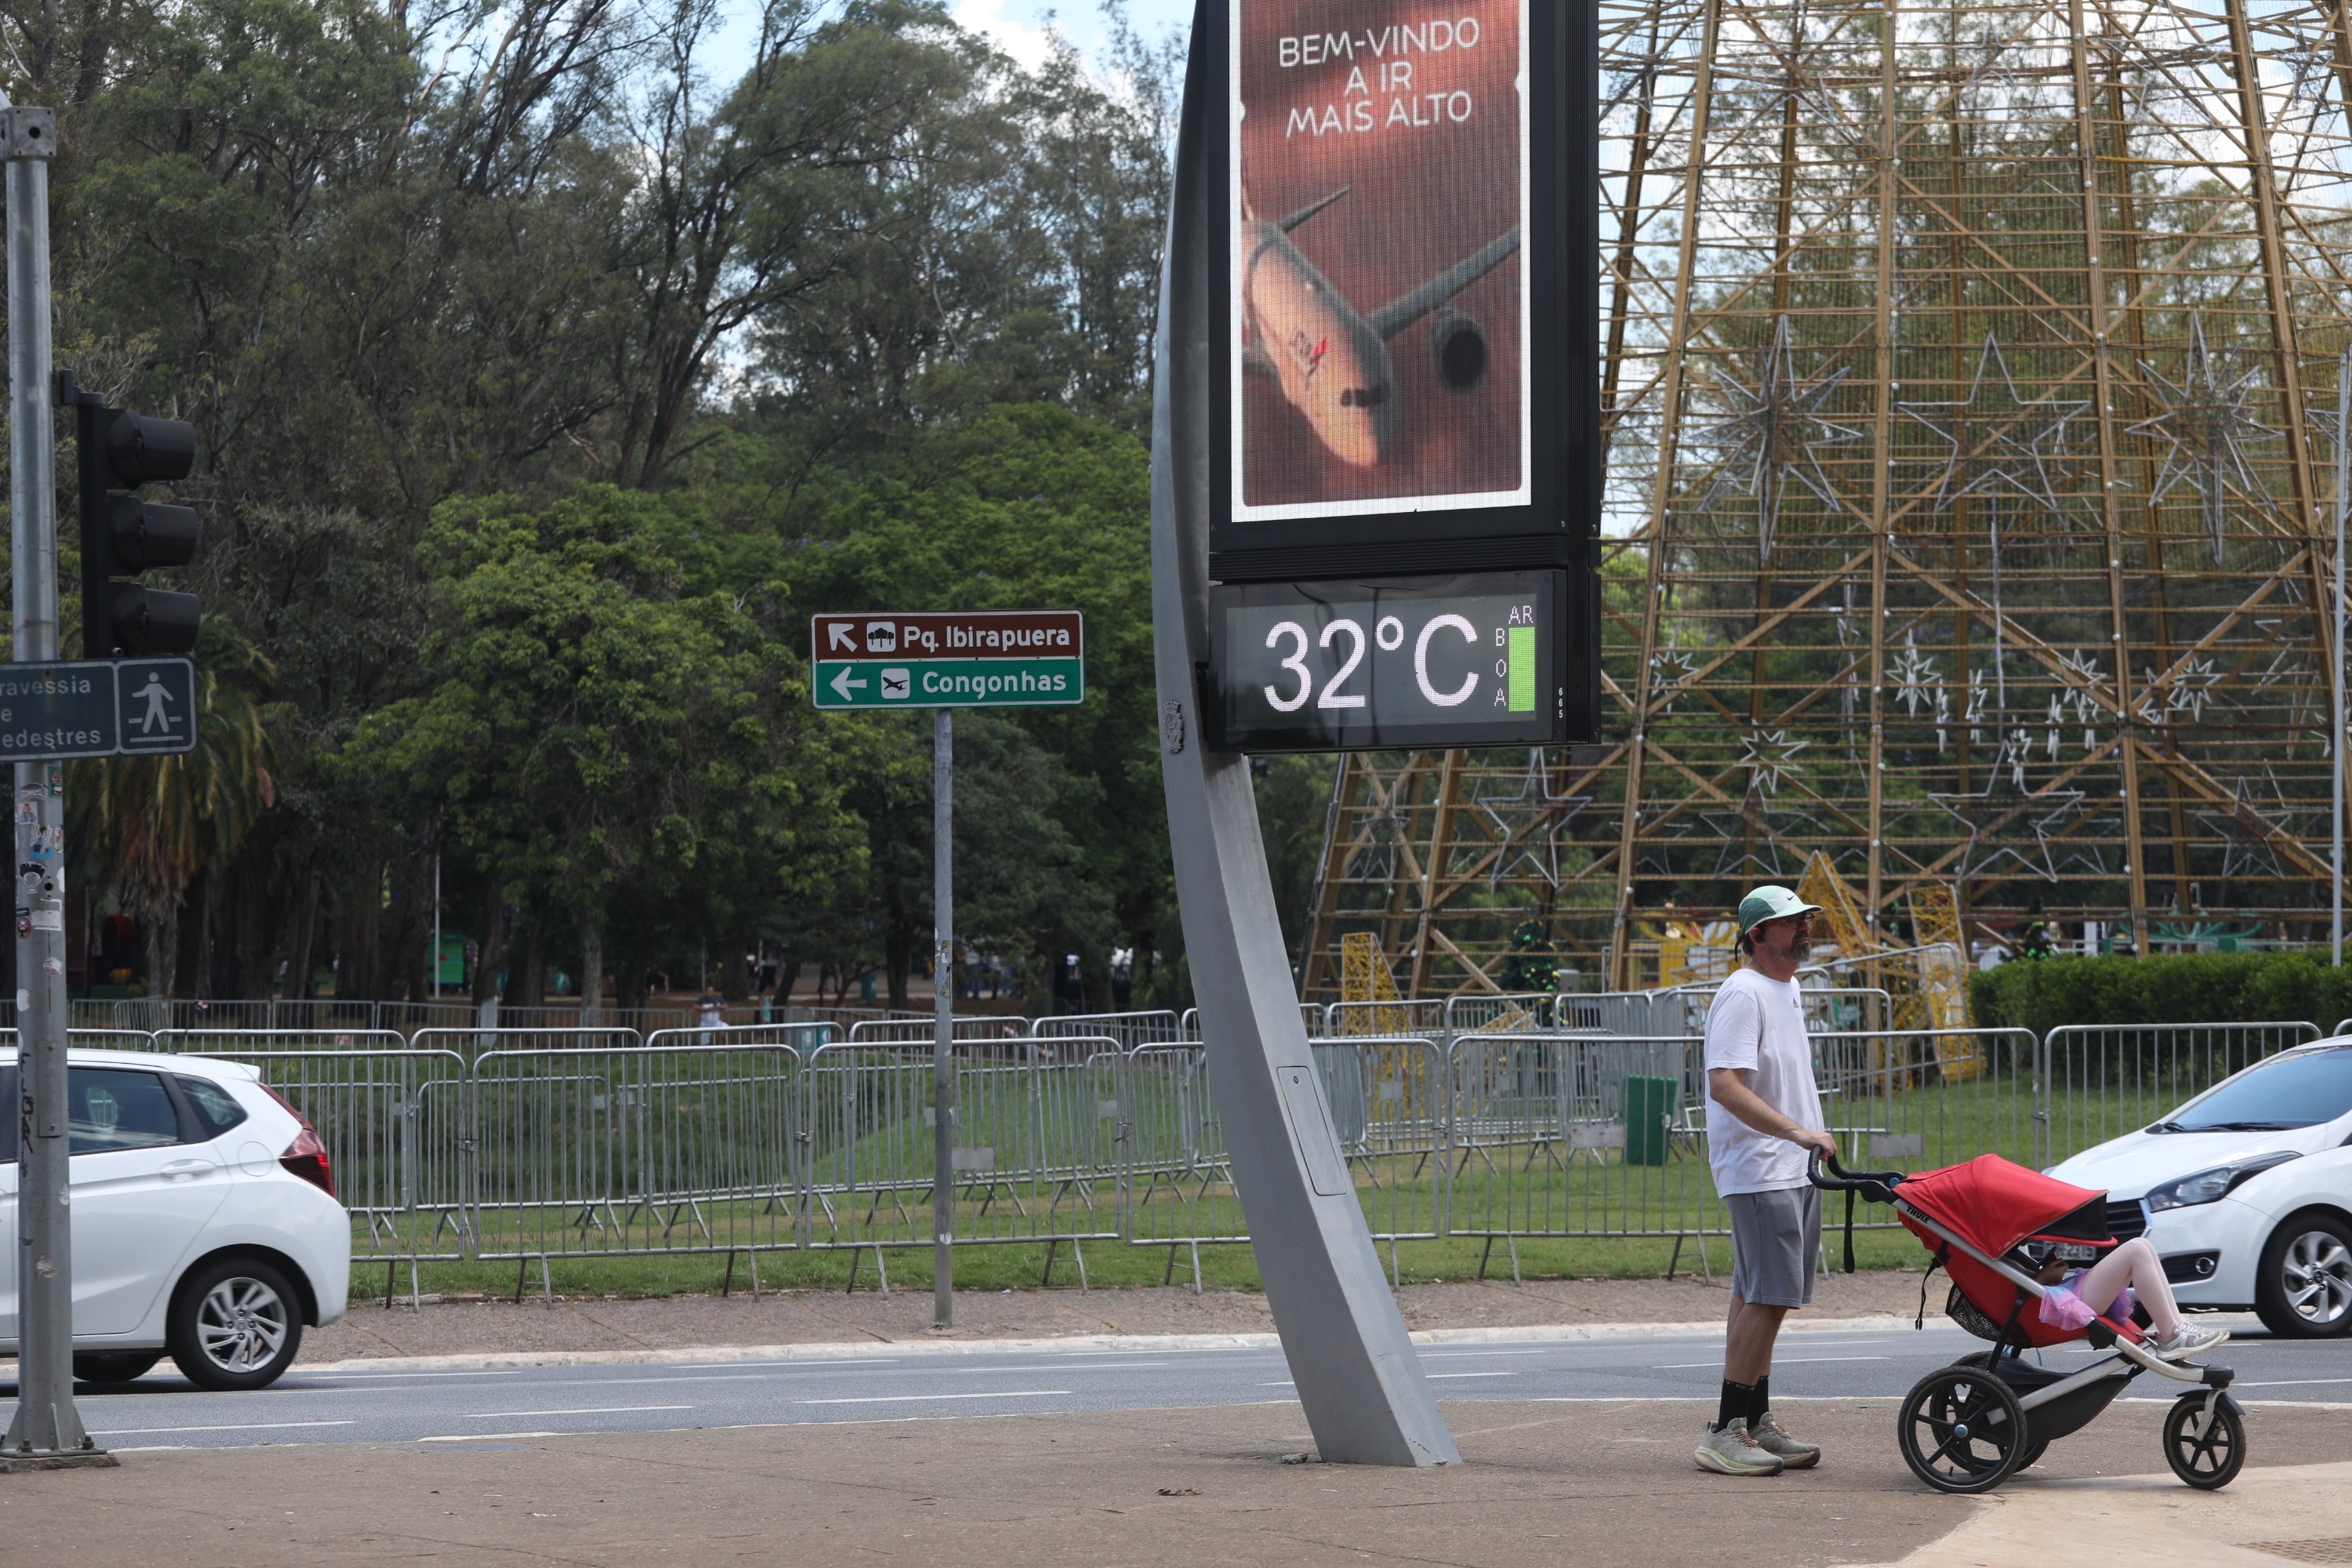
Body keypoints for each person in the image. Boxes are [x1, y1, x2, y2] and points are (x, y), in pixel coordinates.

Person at [1694, 884, 1837, 1478]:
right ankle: (1726, 1431)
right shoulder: (1743, 991)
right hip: (1761, 1167)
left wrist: (1805, 1143)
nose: (1804, 930)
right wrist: (1796, 1132)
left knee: (1761, 1295)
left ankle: (1753, 1422)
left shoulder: (1788, 987)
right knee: (1771, 1296)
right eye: (1791, 924)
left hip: (1789, 1167)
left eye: (1805, 921)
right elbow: (1724, 1082)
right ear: (1758, 936)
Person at [2033, 1236, 2228, 1359]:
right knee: (2136, 1249)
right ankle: (2171, 1334)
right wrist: (2042, 1278)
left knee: (2144, 1244)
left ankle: (2178, 1327)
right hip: (2057, 1297)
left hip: (2058, 1290)